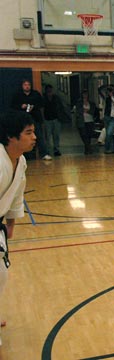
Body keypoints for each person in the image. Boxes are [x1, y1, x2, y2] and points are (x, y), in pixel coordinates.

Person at [0, 111, 36, 344]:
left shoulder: (19, 161)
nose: (34, 137)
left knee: (1, 275)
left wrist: (11, 222)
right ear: (11, 138)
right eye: (28, 133)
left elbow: (16, 195)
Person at [10, 80, 50, 160]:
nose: (27, 86)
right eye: (25, 85)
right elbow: (13, 106)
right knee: (22, 137)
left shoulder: (35, 94)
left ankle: (44, 154)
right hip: (22, 120)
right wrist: (21, 106)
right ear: (22, 86)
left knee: (39, 136)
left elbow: (42, 103)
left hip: (35, 118)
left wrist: (33, 106)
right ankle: (23, 155)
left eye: (28, 85)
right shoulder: (18, 95)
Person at [42, 84, 68, 157]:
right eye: (48, 90)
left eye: (51, 90)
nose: (50, 92)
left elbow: (61, 107)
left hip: (56, 119)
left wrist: (61, 116)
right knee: (48, 136)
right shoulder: (43, 98)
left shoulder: (56, 98)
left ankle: (56, 149)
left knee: (56, 135)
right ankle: (48, 150)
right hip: (47, 119)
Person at [74, 90, 99, 155]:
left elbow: (92, 111)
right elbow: (79, 111)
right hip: (82, 121)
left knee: (89, 135)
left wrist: (86, 110)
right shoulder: (79, 103)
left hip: (90, 121)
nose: (85, 95)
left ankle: (87, 149)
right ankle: (89, 148)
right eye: (84, 94)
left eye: (86, 94)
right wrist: (86, 110)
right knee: (83, 135)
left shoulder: (91, 103)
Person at [98, 84, 114, 154]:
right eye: (109, 90)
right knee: (109, 133)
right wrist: (106, 86)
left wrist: (112, 97)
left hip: (113, 117)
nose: (110, 92)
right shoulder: (105, 97)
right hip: (106, 117)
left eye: (111, 90)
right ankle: (111, 149)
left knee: (109, 133)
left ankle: (107, 147)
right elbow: (99, 90)